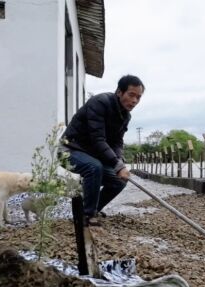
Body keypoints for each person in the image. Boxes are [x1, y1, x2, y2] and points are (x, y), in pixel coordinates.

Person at [61, 75, 144, 226]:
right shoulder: (100, 102)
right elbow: (98, 140)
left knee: (119, 181)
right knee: (94, 167)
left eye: (138, 97)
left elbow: (117, 142)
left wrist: (119, 162)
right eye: (131, 95)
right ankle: (87, 216)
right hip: (68, 150)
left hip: (90, 154)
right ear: (119, 92)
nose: (134, 101)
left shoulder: (125, 115)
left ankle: (93, 209)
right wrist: (117, 165)